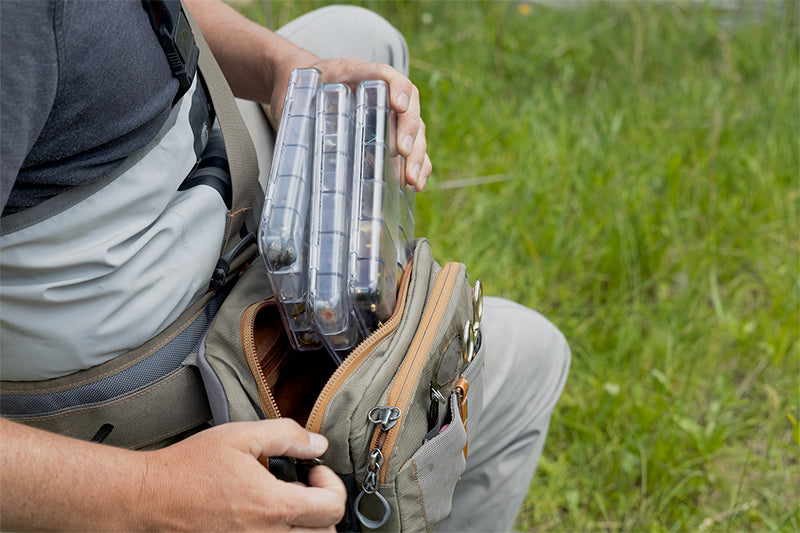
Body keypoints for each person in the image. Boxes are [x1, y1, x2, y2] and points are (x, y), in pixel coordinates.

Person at [0, 1, 570, 531]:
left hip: (193, 199)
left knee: (361, 37)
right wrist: (156, 493)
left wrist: (279, 68)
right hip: (140, 404)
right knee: (535, 357)